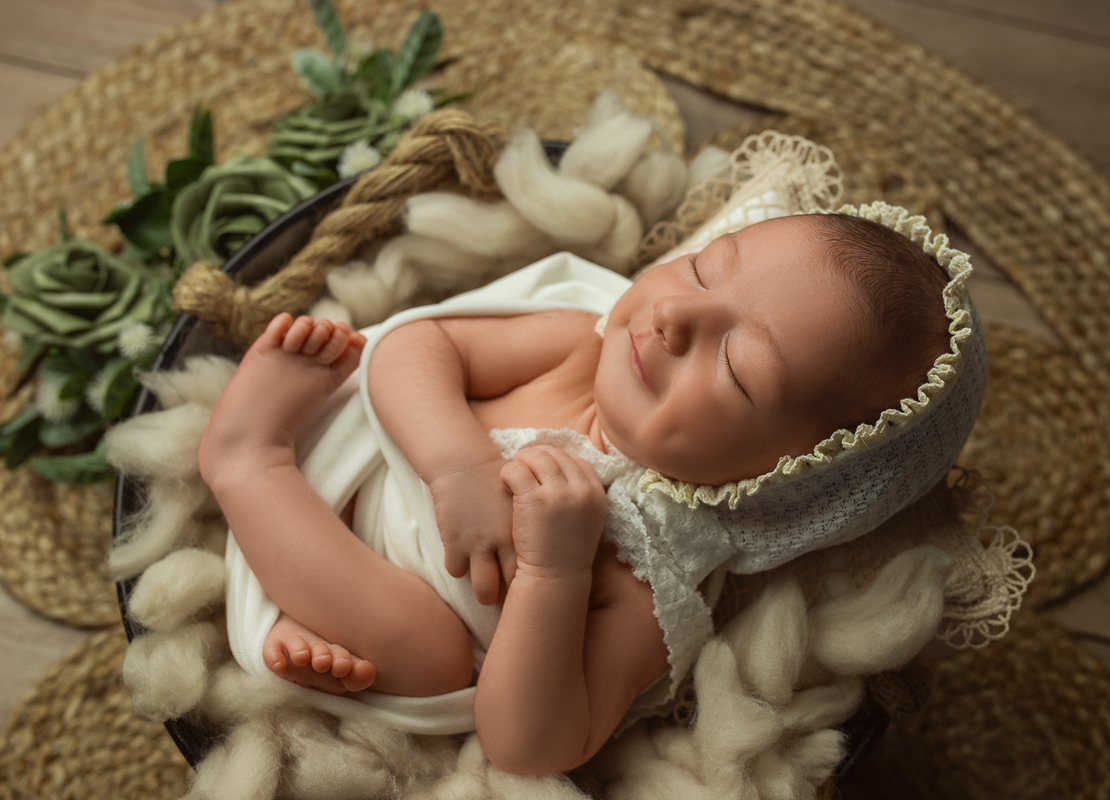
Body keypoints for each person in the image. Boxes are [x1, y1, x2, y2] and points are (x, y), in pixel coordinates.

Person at [199, 209, 956, 775]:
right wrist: (456, 467)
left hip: (388, 615)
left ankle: (257, 486)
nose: (672, 317)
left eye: (737, 368)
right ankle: (257, 456)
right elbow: (416, 345)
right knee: (363, 373)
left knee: (430, 656)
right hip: (361, 470)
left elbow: (531, 745)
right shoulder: (575, 342)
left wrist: (555, 575)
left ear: (784, 480)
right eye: (703, 269)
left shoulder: (651, 573)